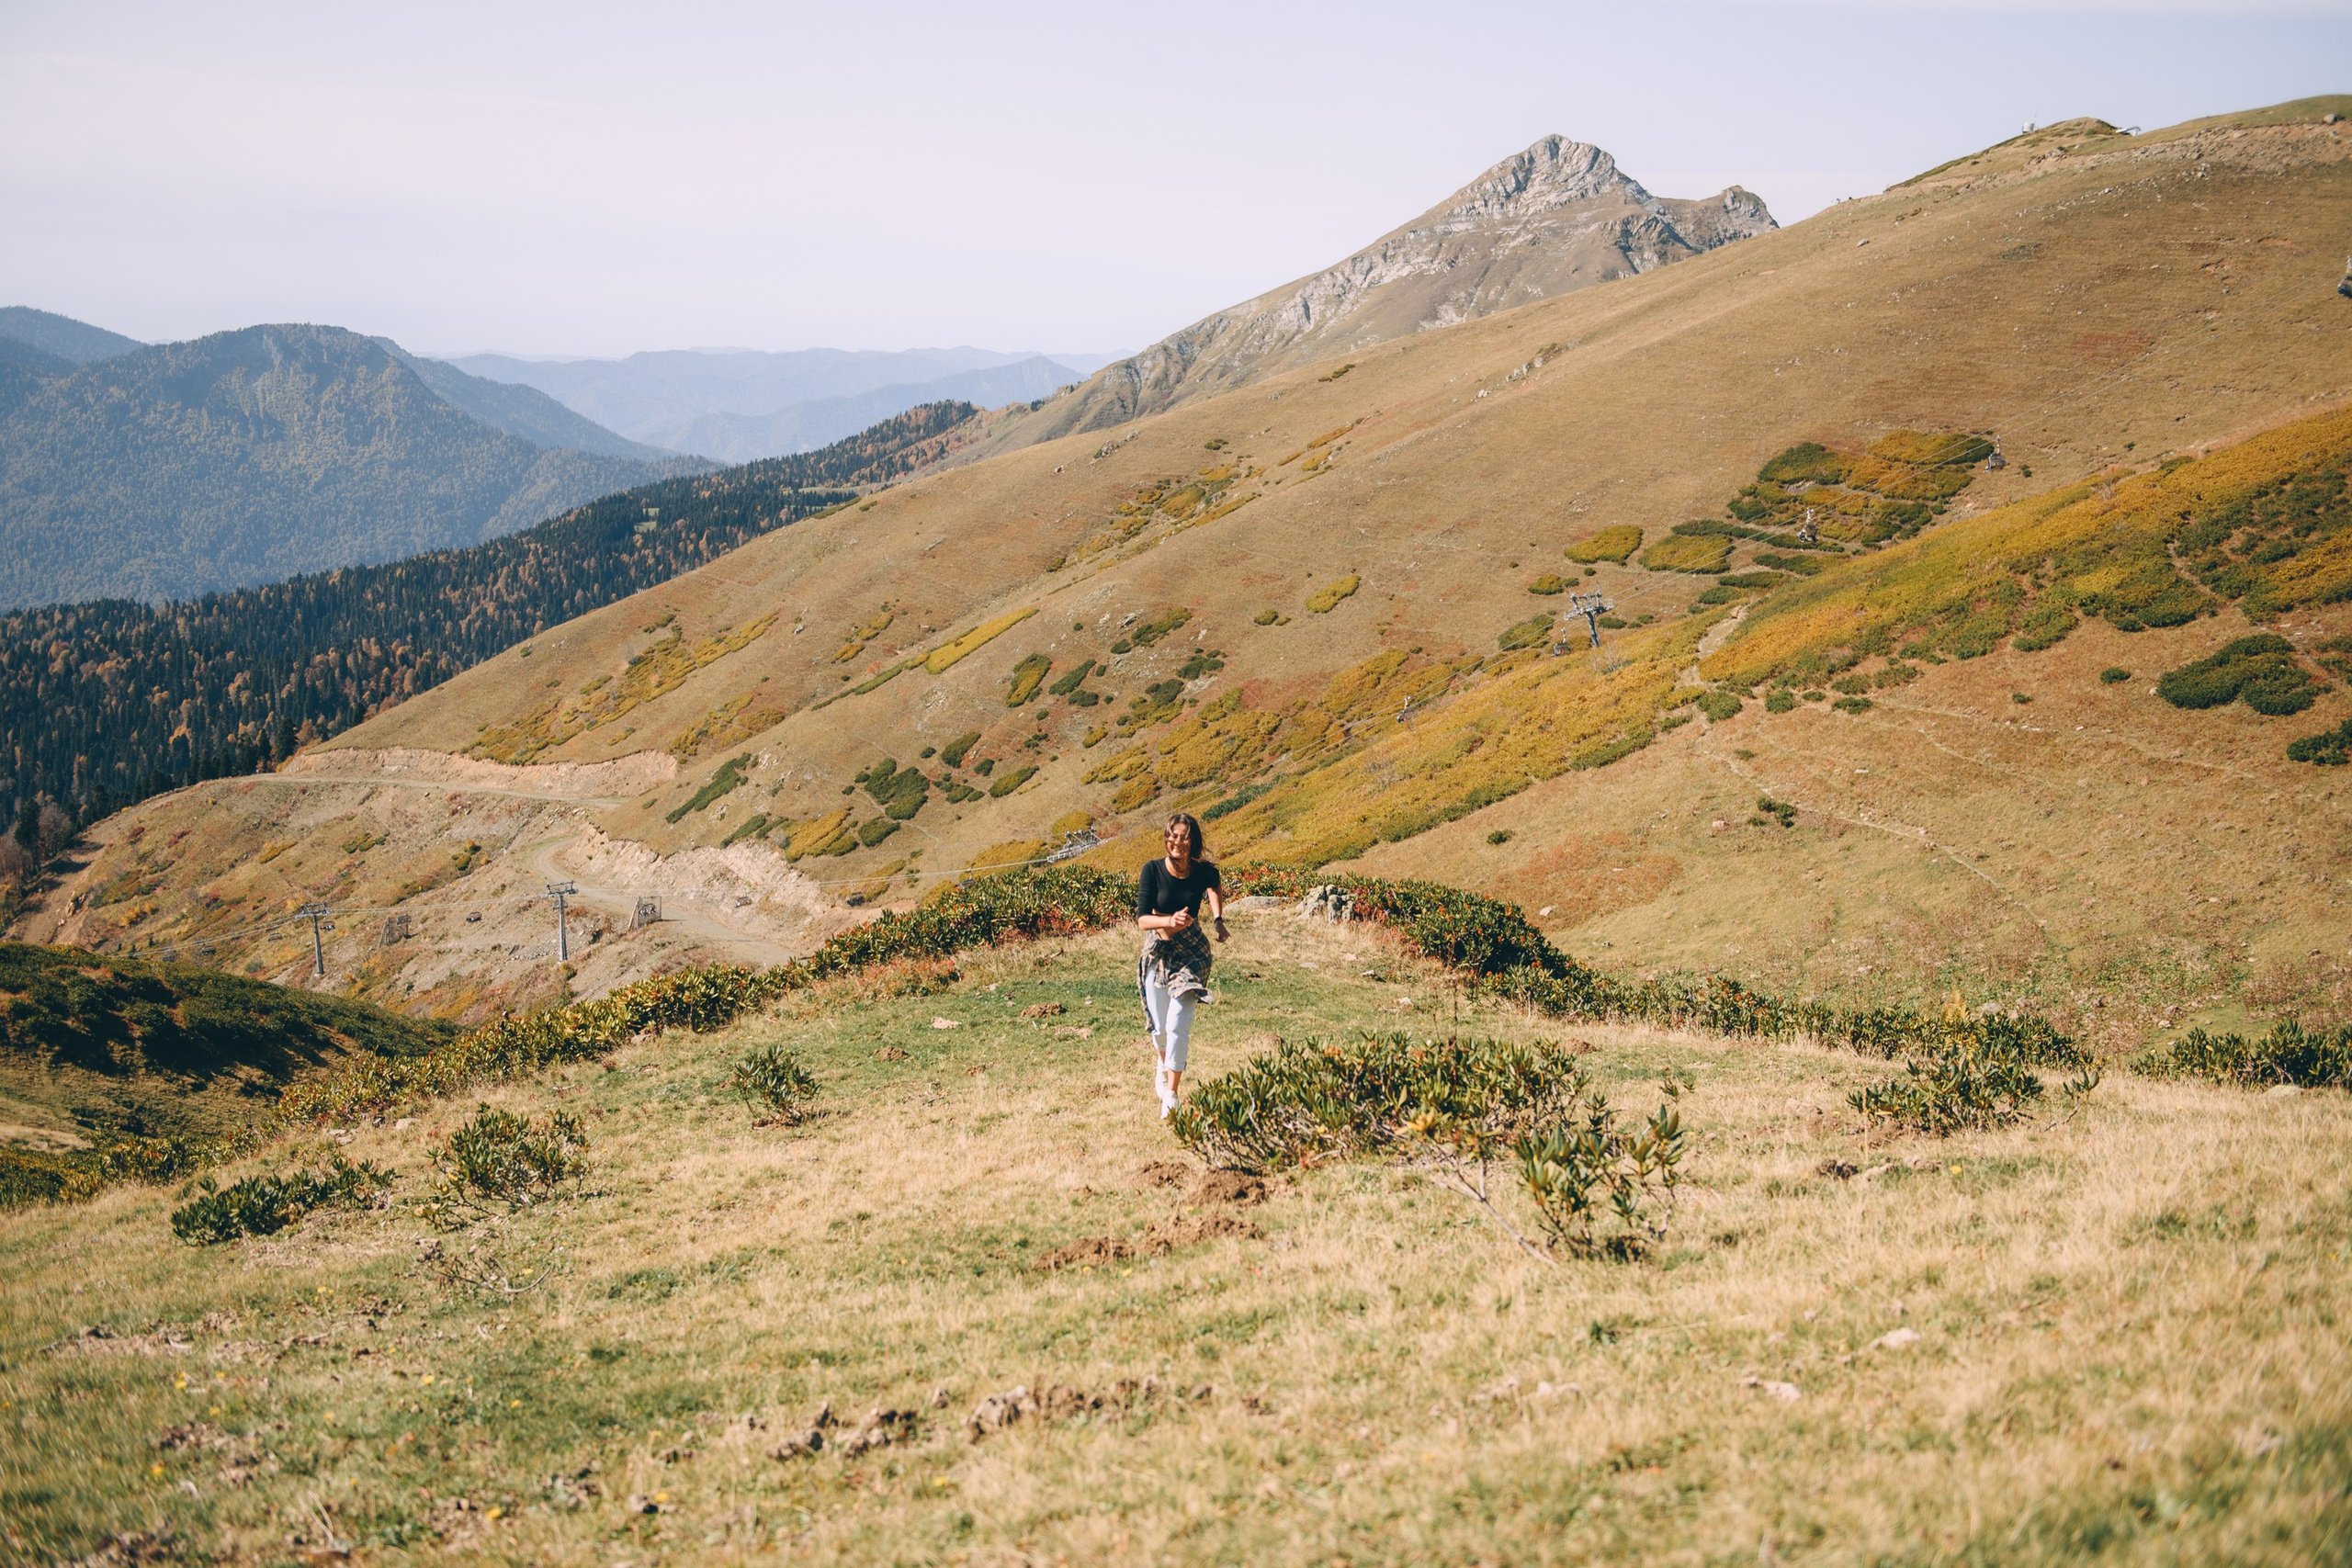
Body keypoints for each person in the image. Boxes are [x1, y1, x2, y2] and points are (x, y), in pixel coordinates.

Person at [1136, 811, 1226, 1119]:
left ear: (1193, 842)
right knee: (1160, 1027)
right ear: (1166, 838)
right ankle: (1163, 1063)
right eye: (1173, 836)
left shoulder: (1201, 871)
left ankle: (1172, 1093)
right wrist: (1167, 921)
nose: (1178, 842)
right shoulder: (1151, 870)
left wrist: (1218, 920)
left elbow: (1213, 885)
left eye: (1184, 837)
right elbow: (1142, 919)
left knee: (1177, 1024)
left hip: (1191, 953)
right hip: (1158, 950)